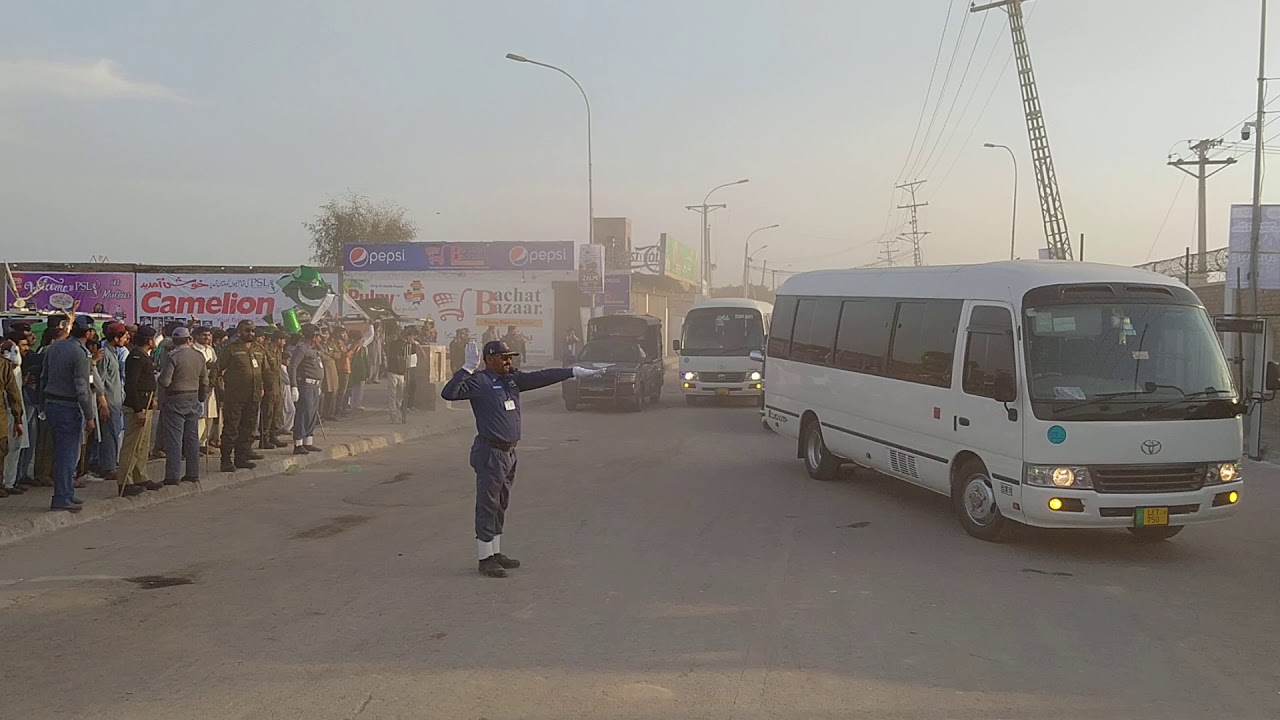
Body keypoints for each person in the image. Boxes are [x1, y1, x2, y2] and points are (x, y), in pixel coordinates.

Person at [440, 340, 603, 578]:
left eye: (511, 357)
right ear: (489, 359)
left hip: (509, 452)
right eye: (504, 357)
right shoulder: (480, 381)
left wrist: (571, 372)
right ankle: (485, 558)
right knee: (488, 504)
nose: (509, 361)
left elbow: (541, 376)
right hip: (490, 452)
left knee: (500, 503)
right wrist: (466, 368)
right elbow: (449, 393)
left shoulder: (511, 380)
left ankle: (495, 552)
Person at [39, 321, 98, 513]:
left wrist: (43, 404)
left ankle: (67, 492)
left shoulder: (55, 347)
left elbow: (44, 377)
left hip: (52, 404)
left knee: (61, 452)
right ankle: (62, 496)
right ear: (88, 333)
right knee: (67, 454)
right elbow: (82, 388)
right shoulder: (80, 353)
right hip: (68, 406)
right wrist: (90, 416)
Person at [157, 326, 209, 485]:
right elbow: (204, 381)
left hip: (175, 399)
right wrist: (201, 397)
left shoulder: (173, 356)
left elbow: (165, 381)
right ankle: (193, 473)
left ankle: (172, 476)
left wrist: (158, 379)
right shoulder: (199, 356)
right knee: (192, 438)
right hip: (193, 398)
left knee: (175, 440)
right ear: (189, 339)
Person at [217, 319, 266, 472]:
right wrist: (216, 386)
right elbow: (218, 368)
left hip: (253, 395)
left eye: (252, 331)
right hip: (235, 396)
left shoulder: (259, 349)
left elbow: (265, 371)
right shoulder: (231, 349)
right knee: (232, 428)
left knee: (248, 428)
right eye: (247, 330)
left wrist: (266, 388)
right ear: (239, 332)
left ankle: (241, 457)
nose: (250, 333)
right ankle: (226, 460)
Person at [119, 326, 162, 496]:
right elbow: (131, 384)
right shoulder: (136, 356)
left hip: (146, 402)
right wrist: (138, 410)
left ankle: (140, 476)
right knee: (132, 445)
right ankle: (125, 481)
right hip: (137, 406)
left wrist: (151, 400)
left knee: (142, 445)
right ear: (148, 340)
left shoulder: (144, 355)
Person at [94, 322, 128, 484]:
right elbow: (97, 379)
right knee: (108, 435)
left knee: (114, 434)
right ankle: (107, 467)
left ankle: (111, 463)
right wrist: (103, 403)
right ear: (116, 338)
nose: (127, 338)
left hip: (115, 401)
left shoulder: (113, 351)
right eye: (124, 335)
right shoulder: (104, 354)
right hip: (107, 402)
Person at [287, 323, 325, 455]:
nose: (320, 338)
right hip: (305, 386)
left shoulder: (312, 349)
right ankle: (298, 443)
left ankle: (308, 441)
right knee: (303, 414)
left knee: (312, 414)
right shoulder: (302, 349)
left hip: (315, 386)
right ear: (313, 336)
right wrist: (294, 386)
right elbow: (293, 367)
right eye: (318, 336)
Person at [2, 334, 30, 496]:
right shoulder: (7, 367)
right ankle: (6, 482)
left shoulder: (16, 368)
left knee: (16, 447)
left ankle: (10, 481)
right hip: (9, 412)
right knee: (9, 447)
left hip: (17, 412)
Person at [258, 329, 288, 450]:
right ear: (278, 340)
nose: (285, 342)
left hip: (277, 384)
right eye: (283, 340)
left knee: (276, 412)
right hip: (269, 385)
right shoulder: (265, 351)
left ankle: (272, 435)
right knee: (267, 412)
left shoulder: (278, 352)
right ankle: (263, 438)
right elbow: (263, 370)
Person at [193, 326, 219, 452]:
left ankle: (204, 443)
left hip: (211, 385)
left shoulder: (210, 350)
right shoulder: (193, 349)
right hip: (198, 386)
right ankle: (195, 444)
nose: (207, 337)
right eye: (204, 335)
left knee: (210, 415)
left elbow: (215, 365)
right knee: (200, 416)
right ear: (197, 336)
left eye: (208, 335)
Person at [384, 327, 410, 424]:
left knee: (400, 395)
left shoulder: (406, 345)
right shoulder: (394, 343)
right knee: (392, 394)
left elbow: (410, 353)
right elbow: (392, 348)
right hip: (393, 371)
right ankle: (393, 414)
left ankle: (397, 411)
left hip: (401, 372)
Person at [347, 328, 370, 412]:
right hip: (353, 370)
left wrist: (368, 371)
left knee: (360, 388)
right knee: (352, 388)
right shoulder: (350, 348)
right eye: (360, 340)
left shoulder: (364, 349)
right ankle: (351, 404)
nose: (361, 341)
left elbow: (366, 360)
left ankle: (357, 404)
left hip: (361, 371)